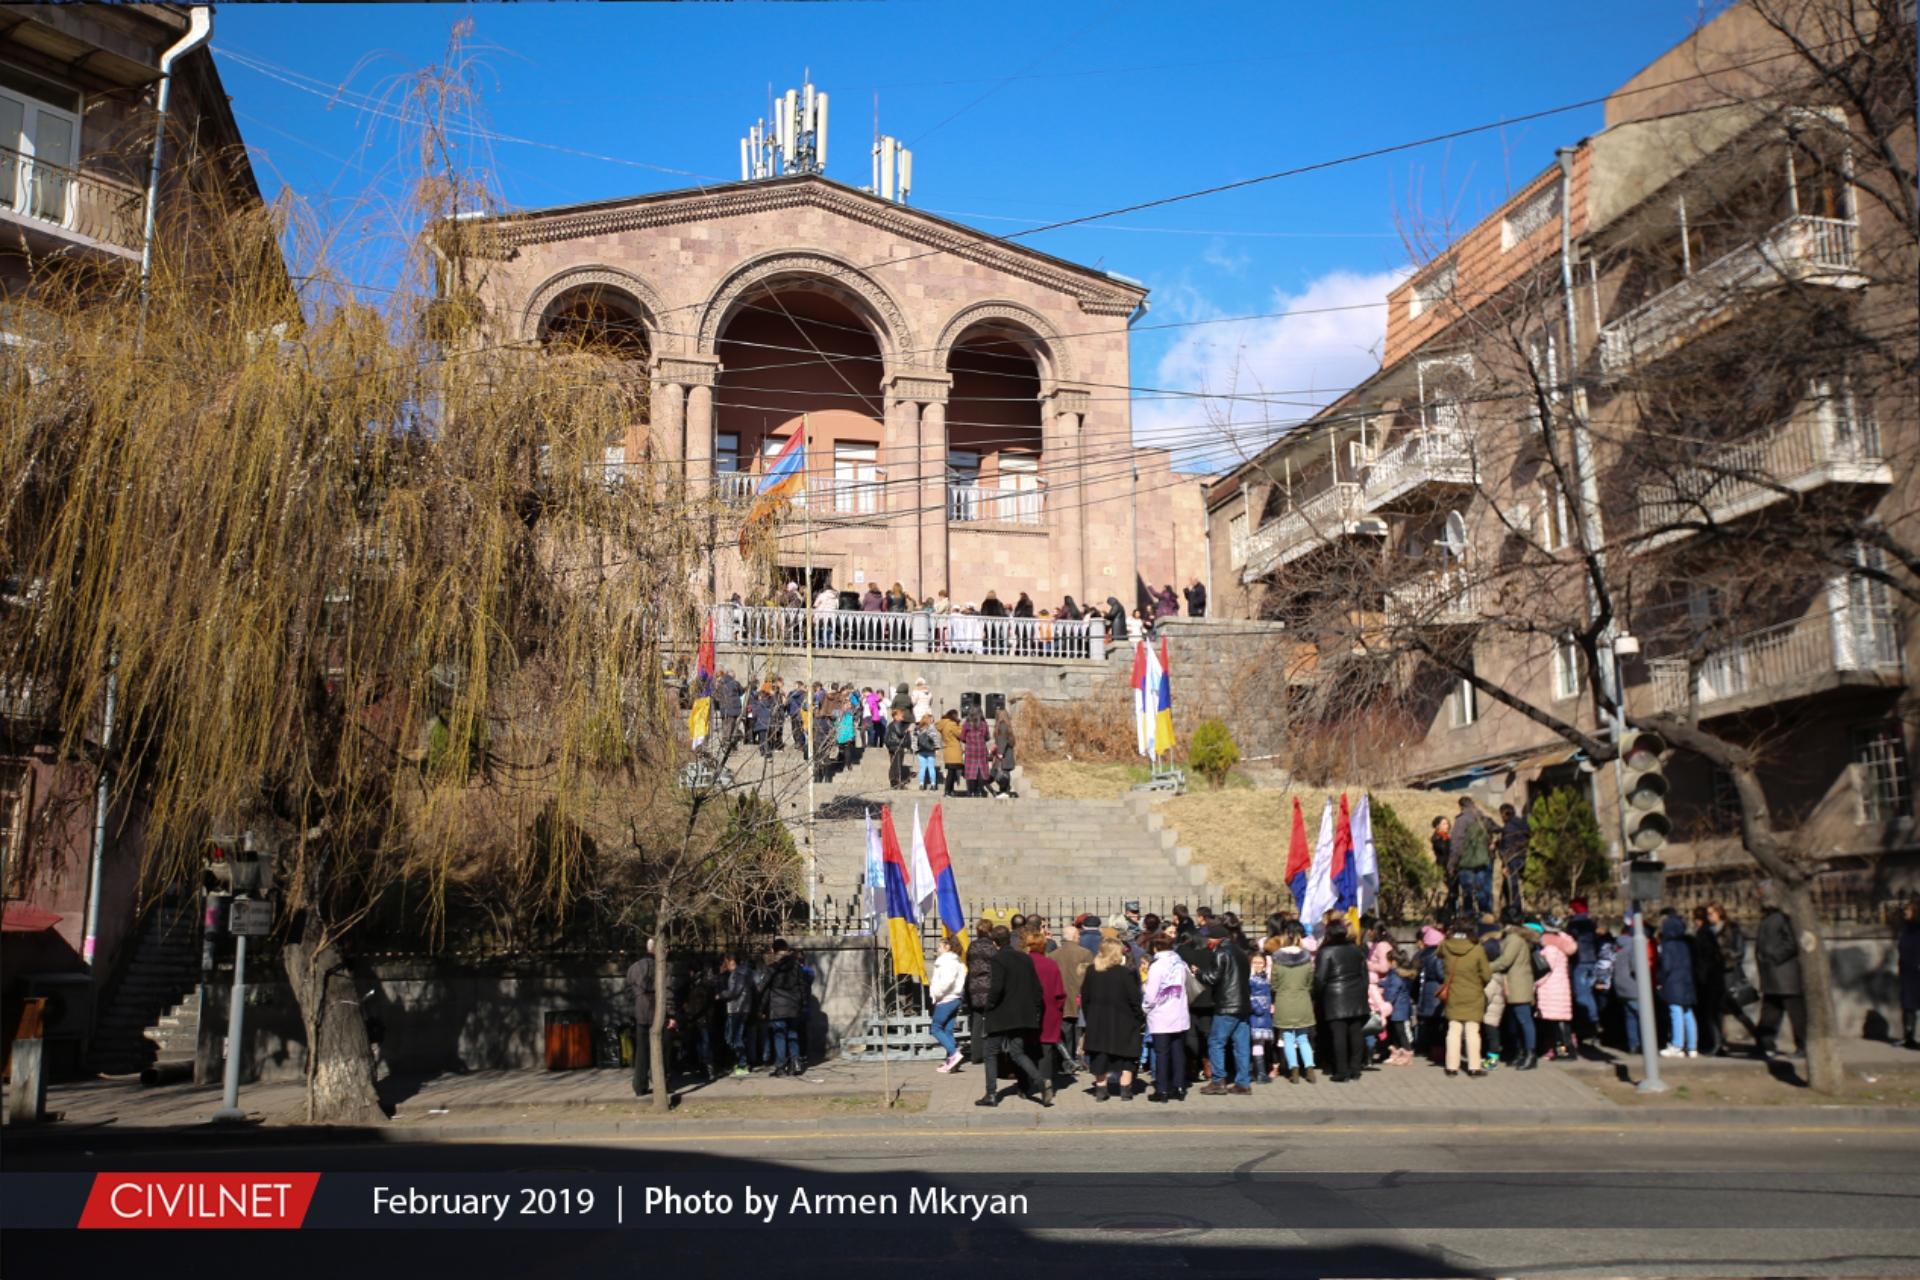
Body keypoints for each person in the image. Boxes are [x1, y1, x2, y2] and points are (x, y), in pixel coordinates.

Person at [979, 926, 1047, 1107]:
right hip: (1023, 1015)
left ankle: (991, 1094)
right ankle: (1041, 1081)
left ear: (995, 943)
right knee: (1018, 1053)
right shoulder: (1025, 958)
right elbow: (1037, 989)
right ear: (1010, 939)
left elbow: (997, 988)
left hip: (1001, 1015)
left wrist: (989, 1006)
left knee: (990, 1052)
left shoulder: (998, 959)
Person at [1080, 938, 1144, 1101]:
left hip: (1098, 1021)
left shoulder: (1092, 971)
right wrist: (1138, 1018)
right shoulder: (1125, 973)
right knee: (1126, 1056)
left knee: (1100, 1056)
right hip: (1124, 1021)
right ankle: (1125, 1090)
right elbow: (1134, 999)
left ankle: (1101, 1090)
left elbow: (1085, 998)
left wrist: (1090, 1018)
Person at [1197, 925, 1254, 1095]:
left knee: (1216, 1042)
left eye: (1210, 938)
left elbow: (1212, 977)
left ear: (1217, 939)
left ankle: (1218, 1081)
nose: (1208, 942)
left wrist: (1198, 973)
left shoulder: (1221, 952)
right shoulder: (1241, 953)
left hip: (1227, 1005)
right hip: (1243, 1005)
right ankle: (1243, 1082)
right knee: (1241, 1045)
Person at [1312, 918, 1370, 1083]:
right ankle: (1355, 1068)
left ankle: (1341, 1071)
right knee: (1356, 1032)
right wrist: (1363, 992)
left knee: (1338, 1034)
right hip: (1357, 994)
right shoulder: (1356, 949)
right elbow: (1364, 975)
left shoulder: (1325, 952)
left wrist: (1317, 996)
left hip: (1335, 997)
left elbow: (1320, 978)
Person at [1705, 902, 1763, 1056]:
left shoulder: (1731, 929)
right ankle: (1718, 1044)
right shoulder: (1708, 931)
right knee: (1715, 1012)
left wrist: (1725, 956)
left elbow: (1739, 951)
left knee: (1736, 1010)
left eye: (1711, 913)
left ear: (1719, 913)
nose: (1709, 917)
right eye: (1707, 914)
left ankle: (1759, 1038)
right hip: (1714, 975)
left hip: (1729, 975)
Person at [1440, 916, 1494, 1078]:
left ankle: (1451, 1067)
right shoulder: (1477, 948)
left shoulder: (1446, 945)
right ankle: (1474, 1067)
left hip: (1453, 993)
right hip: (1473, 993)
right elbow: (1487, 974)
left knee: (1454, 1029)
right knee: (1472, 1030)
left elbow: (1438, 955)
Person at [1755, 897, 1807, 1059]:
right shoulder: (1771, 919)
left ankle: (1802, 1046)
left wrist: (1773, 957)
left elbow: (1791, 943)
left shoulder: (1783, 918)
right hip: (1774, 976)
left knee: (1794, 1015)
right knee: (1771, 1014)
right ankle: (1766, 1045)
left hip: (1785, 976)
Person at [1142, 933, 1191, 1101]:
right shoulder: (1180, 963)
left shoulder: (1157, 966)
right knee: (1178, 1051)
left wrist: (1145, 1008)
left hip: (1161, 1014)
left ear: (1156, 948)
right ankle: (1179, 1086)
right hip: (1178, 1012)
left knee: (1162, 1053)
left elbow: (1150, 993)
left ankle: (1162, 1089)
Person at [1266, 924, 1317, 1083]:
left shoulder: (1277, 961)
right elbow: (1310, 983)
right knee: (1303, 1038)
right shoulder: (1307, 961)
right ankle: (1309, 1067)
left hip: (1284, 1001)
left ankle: (1293, 1069)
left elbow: (1274, 984)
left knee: (1287, 1037)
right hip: (1303, 1001)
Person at [1490, 911, 1539, 1070]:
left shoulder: (1514, 939)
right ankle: (1521, 1052)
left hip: (1517, 984)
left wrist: (1485, 967)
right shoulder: (1516, 938)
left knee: (1524, 1020)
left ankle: (1530, 1054)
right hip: (1515, 983)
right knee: (1517, 1022)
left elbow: (1505, 961)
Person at [625, 938, 675, 1096]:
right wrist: (672, 1014)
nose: (668, 951)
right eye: (665, 948)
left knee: (641, 1051)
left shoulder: (634, 967)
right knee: (664, 1050)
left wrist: (639, 1000)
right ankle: (662, 1083)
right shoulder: (663, 968)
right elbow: (668, 993)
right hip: (659, 1013)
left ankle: (639, 1086)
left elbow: (627, 992)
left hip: (641, 1013)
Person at [1028, 928, 1066, 1104]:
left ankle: (1028, 1083)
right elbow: (1060, 993)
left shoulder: (1025, 963)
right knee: (1046, 1050)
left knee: (1026, 1049)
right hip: (1050, 1012)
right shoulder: (1051, 964)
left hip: (1027, 1012)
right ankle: (1046, 1080)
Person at [1050, 921, 1093, 1073]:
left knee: (1065, 1030)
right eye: (1078, 935)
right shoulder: (1085, 953)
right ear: (1075, 936)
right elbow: (1090, 977)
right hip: (1079, 997)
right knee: (1079, 1031)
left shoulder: (1053, 955)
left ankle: (1065, 1061)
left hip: (1061, 998)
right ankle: (1078, 1059)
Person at [1533, 919, 1579, 1060]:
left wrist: (1535, 983)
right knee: (1561, 1022)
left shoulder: (1550, 949)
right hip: (1560, 988)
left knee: (1558, 1025)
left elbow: (1545, 971)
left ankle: (1565, 1051)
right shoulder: (1562, 946)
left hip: (1551, 989)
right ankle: (1565, 1050)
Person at [1658, 911, 1700, 1058]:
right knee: (1688, 1013)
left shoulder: (1668, 945)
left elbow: (1666, 966)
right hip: (1687, 982)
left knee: (1675, 1012)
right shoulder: (1685, 944)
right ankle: (1692, 1046)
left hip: (1673, 983)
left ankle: (1677, 1045)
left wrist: (1660, 979)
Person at [926, 934, 967, 1073]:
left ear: (947, 946)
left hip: (946, 998)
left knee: (936, 1028)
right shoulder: (957, 961)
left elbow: (946, 981)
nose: (938, 948)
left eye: (940, 946)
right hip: (955, 998)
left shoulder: (947, 961)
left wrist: (937, 993)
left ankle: (954, 1054)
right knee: (948, 1030)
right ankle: (951, 1062)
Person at [1448, 798, 1494, 918]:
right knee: (1483, 890)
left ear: (1461, 806)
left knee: (1468, 891)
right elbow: (1498, 829)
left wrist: (1452, 864)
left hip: (1466, 862)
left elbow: (1456, 844)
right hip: (1483, 860)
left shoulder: (1461, 820)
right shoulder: (1483, 818)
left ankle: (1469, 917)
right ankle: (1486, 917)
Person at [964, 919, 999, 1065]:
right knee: (992, 1020)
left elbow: (968, 963)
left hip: (974, 987)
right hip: (989, 986)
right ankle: (990, 1052)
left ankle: (976, 1054)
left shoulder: (972, 946)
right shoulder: (992, 947)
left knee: (977, 1020)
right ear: (990, 931)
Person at [1248, 949, 1276, 1081]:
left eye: (1260, 962)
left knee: (1259, 1044)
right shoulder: (1252, 978)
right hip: (1256, 1014)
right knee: (1257, 1044)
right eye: (1255, 962)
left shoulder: (1265, 977)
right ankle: (1260, 1073)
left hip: (1263, 1016)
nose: (1258, 965)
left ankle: (1257, 1072)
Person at [1497, 803, 1530, 915]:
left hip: (1512, 859)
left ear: (1504, 814)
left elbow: (1507, 847)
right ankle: (1523, 908)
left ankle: (1515, 910)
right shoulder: (1523, 824)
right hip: (1524, 856)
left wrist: (1504, 864)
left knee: (1513, 886)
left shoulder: (1507, 828)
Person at [1899, 898, 1920, 1050]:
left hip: (1917, 971)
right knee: (1908, 1005)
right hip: (1908, 972)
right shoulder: (1906, 929)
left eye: (1908, 910)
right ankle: (1909, 1038)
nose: (1905, 912)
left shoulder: (1917, 930)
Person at [961, 706, 992, 798]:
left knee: (971, 771)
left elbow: (962, 737)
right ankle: (979, 790)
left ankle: (971, 791)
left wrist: (968, 740)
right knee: (980, 770)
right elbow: (987, 737)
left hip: (970, 750)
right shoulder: (983, 724)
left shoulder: (966, 724)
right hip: (981, 750)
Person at [989, 708, 1018, 799]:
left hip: (1004, 755)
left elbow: (1002, 740)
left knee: (1002, 773)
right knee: (1004, 773)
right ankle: (1006, 790)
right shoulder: (1007, 726)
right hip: (1008, 754)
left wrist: (1000, 753)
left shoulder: (1002, 726)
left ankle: (1005, 791)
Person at [884, 706, 911, 790]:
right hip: (897, 746)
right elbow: (900, 733)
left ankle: (894, 782)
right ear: (895, 716)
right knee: (897, 765)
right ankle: (896, 782)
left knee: (894, 764)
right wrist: (906, 731)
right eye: (901, 716)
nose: (902, 717)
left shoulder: (891, 724)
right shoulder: (897, 723)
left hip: (892, 746)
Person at [1432, 816, 1455, 914]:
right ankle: (1446, 911)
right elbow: (1444, 850)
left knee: (1454, 891)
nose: (1447, 826)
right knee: (1451, 891)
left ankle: (1450, 910)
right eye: (1444, 824)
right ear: (1438, 826)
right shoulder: (1437, 838)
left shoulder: (1448, 837)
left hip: (1451, 866)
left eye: (1447, 823)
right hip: (1444, 867)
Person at [939, 709, 965, 796]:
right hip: (954, 750)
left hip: (948, 750)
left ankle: (949, 791)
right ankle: (948, 791)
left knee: (952, 772)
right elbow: (961, 734)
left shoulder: (944, 724)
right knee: (951, 773)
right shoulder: (952, 724)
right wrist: (960, 726)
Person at [913, 714, 941, 791]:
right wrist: (937, 748)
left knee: (922, 768)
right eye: (931, 719)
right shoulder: (931, 728)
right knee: (931, 767)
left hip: (921, 750)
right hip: (930, 750)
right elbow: (935, 738)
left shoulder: (917, 728)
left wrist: (915, 749)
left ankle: (921, 784)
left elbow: (914, 740)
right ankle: (933, 784)